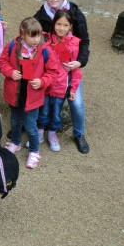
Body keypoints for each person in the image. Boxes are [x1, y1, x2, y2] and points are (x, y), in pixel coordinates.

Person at [33, 0, 91, 154]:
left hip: (68, 69)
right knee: (32, 92)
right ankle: (27, 124)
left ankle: (79, 134)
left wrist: (79, 62)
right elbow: (32, 36)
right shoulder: (42, 14)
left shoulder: (74, 12)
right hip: (48, 68)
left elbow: (84, 41)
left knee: (77, 104)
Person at [0, 18, 58, 169]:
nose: (36, 39)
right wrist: (10, 72)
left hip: (33, 95)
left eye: (38, 36)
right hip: (15, 93)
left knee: (31, 126)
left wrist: (42, 81)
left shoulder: (45, 50)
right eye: (33, 36)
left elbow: (53, 71)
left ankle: (34, 151)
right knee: (15, 121)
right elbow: (2, 61)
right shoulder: (13, 46)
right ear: (23, 34)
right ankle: (16, 143)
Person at [36, 10, 82, 152]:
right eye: (58, 24)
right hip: (46, 84)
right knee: (43, 112)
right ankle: (39, 133)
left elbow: (75, 70)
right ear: (53, 24)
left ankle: (52, 134)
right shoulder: (46, 39)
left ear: (70, 27)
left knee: (56, 113)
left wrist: (73, 89)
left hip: (62, 86)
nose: (61, 28)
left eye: (65, 25)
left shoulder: (74, 43)